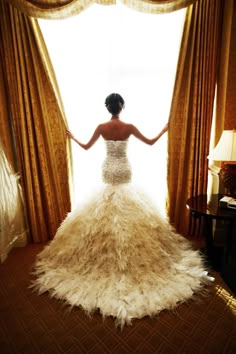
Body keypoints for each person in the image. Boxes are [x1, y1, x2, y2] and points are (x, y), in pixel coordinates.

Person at [32, 93, 214, 329]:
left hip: (108, 169)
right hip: (124, 169)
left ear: (107, 107)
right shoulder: (128, 126)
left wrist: (74, 137)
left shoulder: (101, 127)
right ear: (122, 107)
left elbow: (86, 147)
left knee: (106, 202)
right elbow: (150, 142)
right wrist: (163, 131)